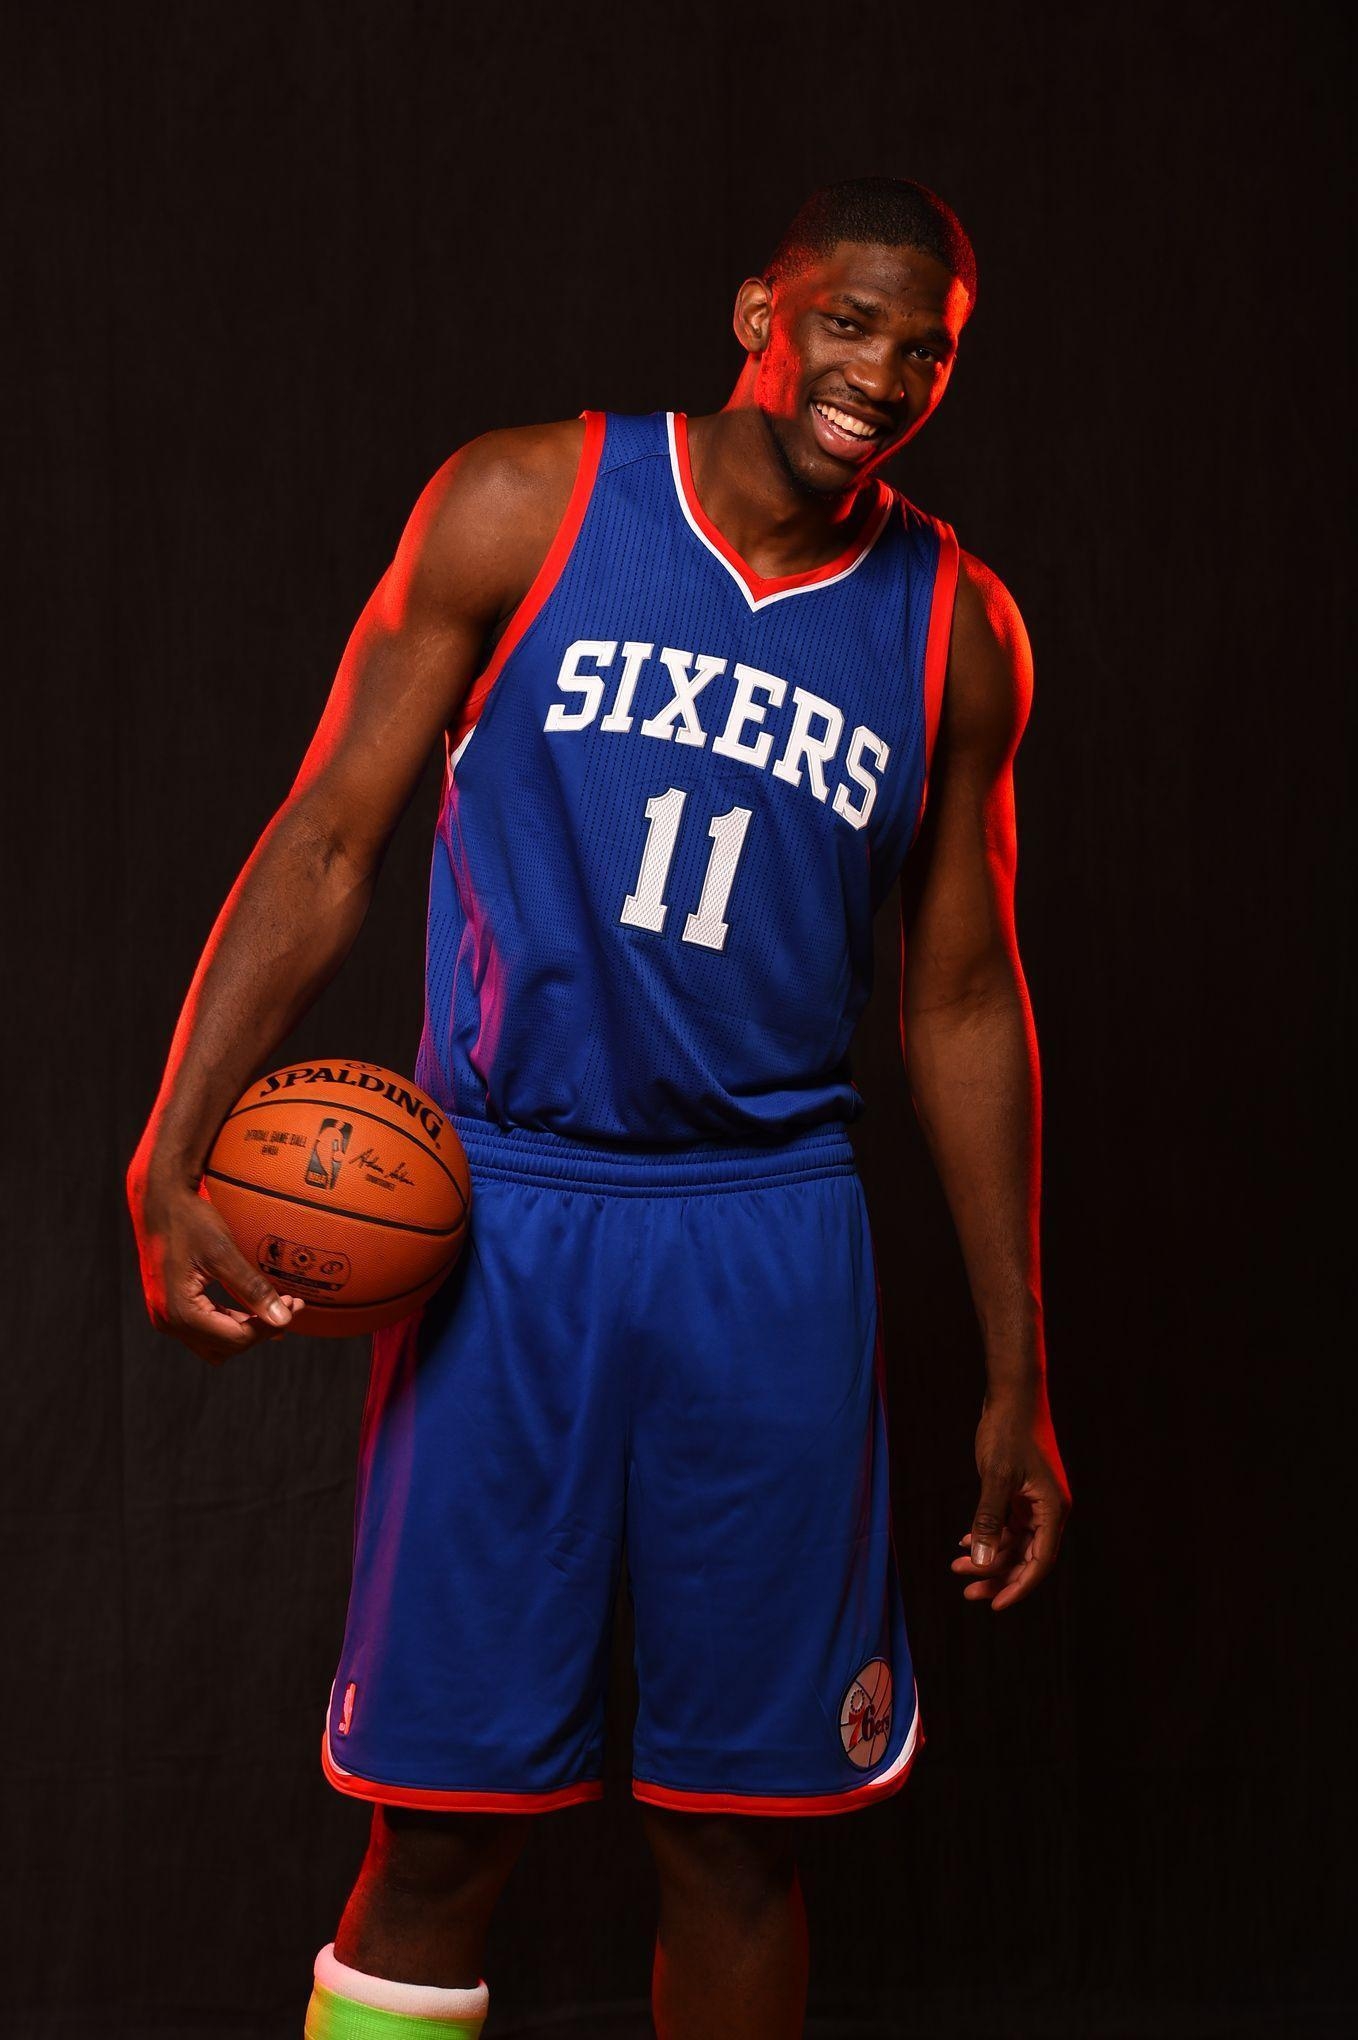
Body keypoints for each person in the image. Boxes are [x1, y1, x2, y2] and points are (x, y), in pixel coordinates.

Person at [127, 175, 1072, 2040]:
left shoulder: (956, 628)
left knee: (737, 1840)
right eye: (849, 322)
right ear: (759, 315)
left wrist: (1019, 1365)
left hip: (769, 1236)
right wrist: (171, 1145)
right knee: (440, 1828)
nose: (879, 372)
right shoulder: (529, 502)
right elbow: (330, 835)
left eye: (924, 348)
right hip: (510, 1219)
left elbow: (958, 994)